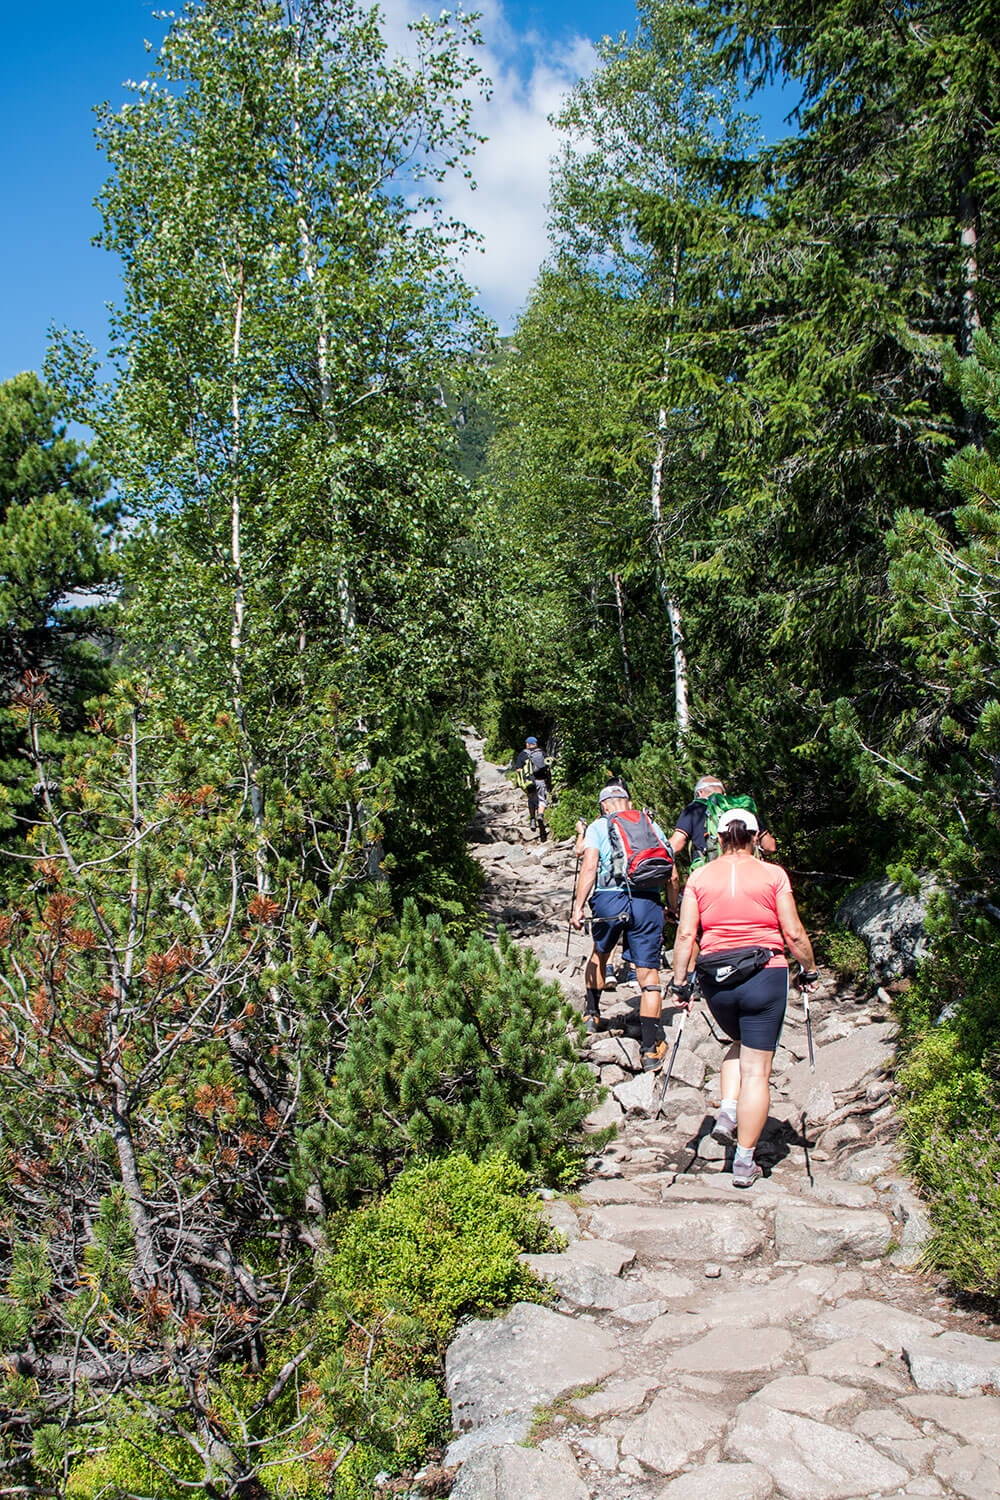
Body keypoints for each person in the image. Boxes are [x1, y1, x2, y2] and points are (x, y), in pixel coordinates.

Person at [669, 808, 818, 1187]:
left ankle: (728, 1111)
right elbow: (794, 932)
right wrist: (809, 969)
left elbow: (686, 935)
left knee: (737, 1042)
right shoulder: (773, 874)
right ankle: (744, 1161)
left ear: (717, 839)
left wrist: (680, 983)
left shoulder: (700, 876)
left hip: (717, 977)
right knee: (757, 1069)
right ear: (755, 837)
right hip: (765, 974)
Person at [570, 784, 671, 1064]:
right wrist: (671, 906)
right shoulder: (650, 824)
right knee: (649, 976)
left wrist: (578, 907)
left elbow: (590, 866)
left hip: (609, 900)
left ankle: (591, 1015)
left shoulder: (598, 826)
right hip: (647, 901)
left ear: (604, 805)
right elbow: (670, 870)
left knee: (600, 955)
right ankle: (650, 1049)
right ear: (627, 802)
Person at [668, 776, 776, 915]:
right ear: (724, 794)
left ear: (699, 793)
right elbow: (770, 847)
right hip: (748, 879)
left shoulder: (694, 809)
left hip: (710, 882)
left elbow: (675, 846)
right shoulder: (741, 810)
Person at [513, 735, 551, 837]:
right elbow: (547, 768)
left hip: (530, 782)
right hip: (541, 781)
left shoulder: (523, 754)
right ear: (536, 744)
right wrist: (549, 782)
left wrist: (522, 782)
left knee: (531, 800)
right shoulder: (542, 753)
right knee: (542, 800)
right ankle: (540, 815)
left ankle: (533, 819)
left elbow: (519, 770)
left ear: (527, 744)